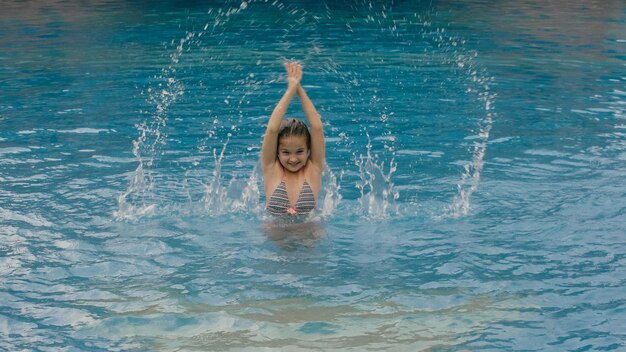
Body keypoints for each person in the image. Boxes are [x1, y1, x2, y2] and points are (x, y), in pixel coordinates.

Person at [261, 62, 325, 216]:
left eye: (300, 151)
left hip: (309, 238)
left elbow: (317, 128)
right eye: (286, 152)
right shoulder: (271, 169)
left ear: (309, 150)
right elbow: (272, 130)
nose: (293, 159)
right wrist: (290, 90)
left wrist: (299, 89)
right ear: (277, 152)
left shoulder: (313, 168)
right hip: (276, 239)